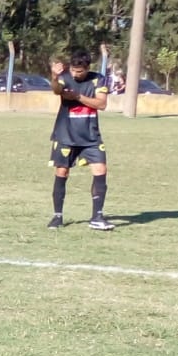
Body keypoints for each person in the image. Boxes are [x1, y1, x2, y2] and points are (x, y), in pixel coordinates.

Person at [46, 49, 110, 230]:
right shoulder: (64, 77)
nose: (75, 74)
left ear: (88, 68)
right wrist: (54, 76)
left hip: (90, 136)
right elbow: (56, 90)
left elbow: (102, 104)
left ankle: (97, 217)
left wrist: (78, 97)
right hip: (65, 134)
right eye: (73, 70)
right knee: (62, 173)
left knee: (100, 170)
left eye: (79, 72)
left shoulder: (98, 79)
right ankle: (57, 217)